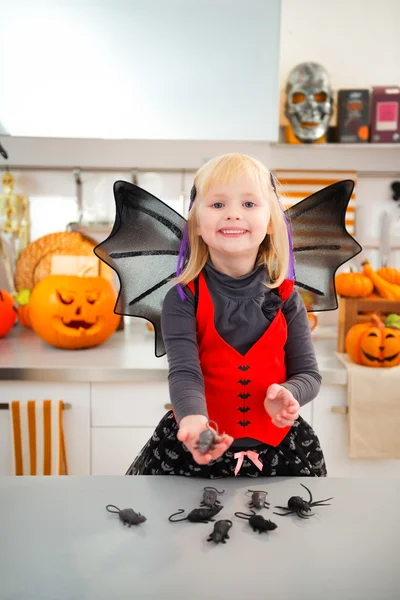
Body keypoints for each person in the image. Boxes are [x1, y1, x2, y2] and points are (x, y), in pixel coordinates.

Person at [126, 152, 326, 478]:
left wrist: (291, 394)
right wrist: (192, 422)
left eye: (249, 204)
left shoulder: (287, 298)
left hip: (281, 452)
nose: (233, 214)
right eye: (218, 205)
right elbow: (185, 372)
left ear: (272, 221)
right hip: (200, 449)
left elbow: (309, 375)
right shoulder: (182, 297)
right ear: (197, 224)